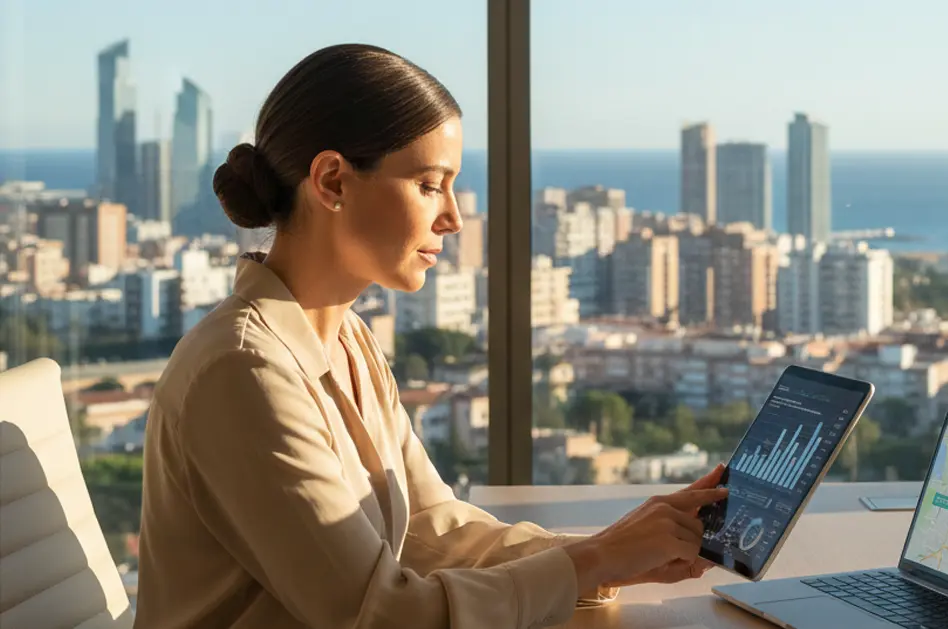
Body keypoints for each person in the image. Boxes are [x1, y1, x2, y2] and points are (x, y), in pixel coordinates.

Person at [135, 44, 727, 629]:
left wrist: (617, 550)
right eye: (428, 184)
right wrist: (596, 560)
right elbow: (382, 616)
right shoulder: (243, 373)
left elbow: (429, 528)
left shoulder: (347, 341)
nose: (454, 217)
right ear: (333, 181)